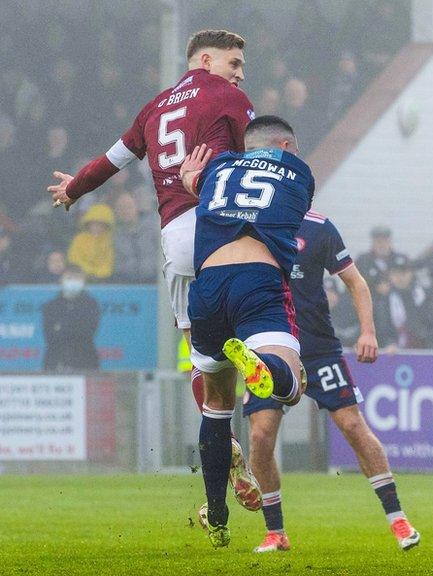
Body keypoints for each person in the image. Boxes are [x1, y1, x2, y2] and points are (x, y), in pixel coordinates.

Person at [46, 29, 261, 509]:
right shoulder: (228, 96)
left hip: (175, 237)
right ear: (205, 59)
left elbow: (112, 161)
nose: (241, 74)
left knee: (198, 351)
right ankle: (254, 351)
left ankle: (224, 448)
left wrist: (73, 190)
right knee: (257, 305)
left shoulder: (154, 107)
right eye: (234, 63)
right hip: (217, 221)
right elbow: (257, 157)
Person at [242, 208, 420, 553]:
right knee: (261, 435)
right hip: (270, 348)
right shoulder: (249, 222)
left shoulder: (319, 227)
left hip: (318, 348)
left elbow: (355, 281)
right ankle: (275, 532)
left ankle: (398, 520)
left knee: (353, 425)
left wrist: (368, 330)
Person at [180, 116, 313, 547]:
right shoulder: (297, 171)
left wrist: (190, 180)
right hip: (256, 278)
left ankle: (217, 517)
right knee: (290, 384)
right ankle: (267, 368)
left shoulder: (219, 168)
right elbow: (279, 208)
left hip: (206, 287)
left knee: (216, 407)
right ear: (286, 145)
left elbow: (208, 194)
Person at [42, 267, 100, 372]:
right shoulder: (51, 306)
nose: (73, 282)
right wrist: (73, 324)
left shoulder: (91, 305)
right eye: (69, 278)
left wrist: (61, 326)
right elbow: (49, 336)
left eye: (77, 279)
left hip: (85, 361)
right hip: (55, 361)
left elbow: (87, 332)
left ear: (83, 282)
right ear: (61, 280)